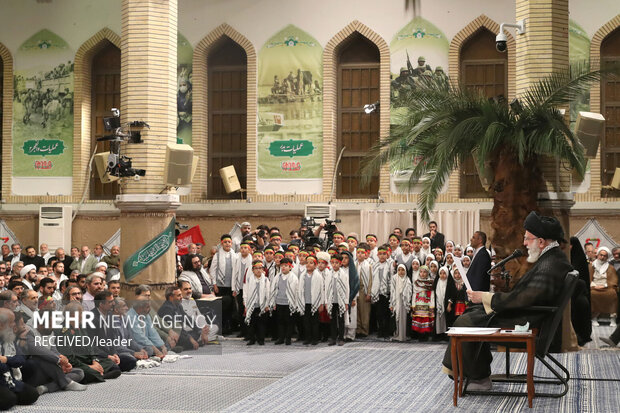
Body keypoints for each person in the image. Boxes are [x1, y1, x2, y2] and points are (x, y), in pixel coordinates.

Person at [442, 211, 573, 391]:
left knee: (467, 321)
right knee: (473, 313)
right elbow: (528, 294)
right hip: (529, 316)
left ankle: (479, 379)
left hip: (527, 322)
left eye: (528, 239)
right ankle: (473, 373)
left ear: (541, 242)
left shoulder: (550, 264)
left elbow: (524, 298)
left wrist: (485, 297)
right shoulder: (552, 259)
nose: (525, 243)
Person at [0, 308, 40, 410]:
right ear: (1, 324)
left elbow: (21, 359)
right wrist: (8, 362)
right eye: (11, 322)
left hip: (9, 379)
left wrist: (7, 360)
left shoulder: (8, 338)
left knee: (32, 395)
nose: (14, 324)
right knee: (9, 400)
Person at [269, 257, 299, 345]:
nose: (283, 268)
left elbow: (296, 292)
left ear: (290, 267)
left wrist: (295, 303)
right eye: (282, 266)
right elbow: (273, 290)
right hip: (279, 302)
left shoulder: (294, 278)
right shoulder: (277, 277)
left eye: (286, 266)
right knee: (280, 321)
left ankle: (288, 338)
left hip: (289, 303)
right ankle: (281, 338)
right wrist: (273, 302)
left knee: (289, 322)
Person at [298, 256, 324, 345]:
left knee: (315, 322)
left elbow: (321, 290)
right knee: (306, 322)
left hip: (315, 302)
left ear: (315, 265)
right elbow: (300, 289)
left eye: (311, 263)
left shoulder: (318, 276)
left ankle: (315, 338)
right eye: (307, 263)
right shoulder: (303, 275)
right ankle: (307, 338)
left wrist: (321, 303)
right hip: (305, 302)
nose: (308, 264)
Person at [243, 260, 271, 345]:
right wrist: (245, 303)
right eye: (256, 268)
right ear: (253, 270)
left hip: (261, 305)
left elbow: (268, 293)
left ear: (263, 270)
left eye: (260, 268)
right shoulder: (249, 279)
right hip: (252, 304)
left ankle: (261, 339)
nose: (258, 270)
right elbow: (245, 292)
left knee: (261, 324)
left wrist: (267, 304)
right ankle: (252, 339)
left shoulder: (266, 280)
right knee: (252, 323)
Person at [589, 246, 618, 327]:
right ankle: (594, 318)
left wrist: (604, 285)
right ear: (597, 255)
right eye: (601, 255)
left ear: (607, 257)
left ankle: (613, 319)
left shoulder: (610, 268)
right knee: (593, 294)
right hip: (594, 286)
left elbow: (613, 280)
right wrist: (594, 286)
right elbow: (588, 278)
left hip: (607, 287)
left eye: (604, 256)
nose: (602, 257)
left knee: (613, 294)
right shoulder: (592, 266)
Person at [372, 245, 392, 339]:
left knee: (386, 313)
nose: (382, 256)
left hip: (387, 292)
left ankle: (386, 332)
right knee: (379, 313)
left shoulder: (390, 265)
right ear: (377, 255)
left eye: (384, 254)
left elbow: (392, 278)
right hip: (378, 292)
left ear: (387, 254)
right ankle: (380, 331)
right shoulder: (375, 265)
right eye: (380, 254)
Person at [411, 265, 435, 340]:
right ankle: (419, 335)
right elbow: (414, 294)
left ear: (428, 273)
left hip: (427, 305)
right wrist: (413, 304)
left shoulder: (430, 283)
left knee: (425, 320)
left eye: (425, 272)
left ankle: (425, 335)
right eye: (421, 272)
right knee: (419, 320)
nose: (422, 274)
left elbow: (432, 295)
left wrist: (432, 305)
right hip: (418, 304)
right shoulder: (416, 282)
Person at [390, 264, 412, 342]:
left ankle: (403, 336)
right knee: (397, 318)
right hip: (397, 301)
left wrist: (404, 293)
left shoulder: (407, 279)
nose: (401, 272)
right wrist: (391, 303)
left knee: (404, 319)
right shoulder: (394, 278)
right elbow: (392, 291)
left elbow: (409, 291)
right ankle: (398, 334)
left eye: (402, 270)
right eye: (399, 270)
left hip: (404, 302)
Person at [355, 244, 373, 337]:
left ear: (366, 254)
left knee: (364, 311)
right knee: (356, 311)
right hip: (355, 290)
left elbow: (370, 281)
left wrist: (369, 293)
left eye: (362, 253)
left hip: (363, 290)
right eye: (358, 253)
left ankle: (364, 330)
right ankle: (358, 329)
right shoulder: (354, 265)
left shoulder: (369, 266)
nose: (360, 254)